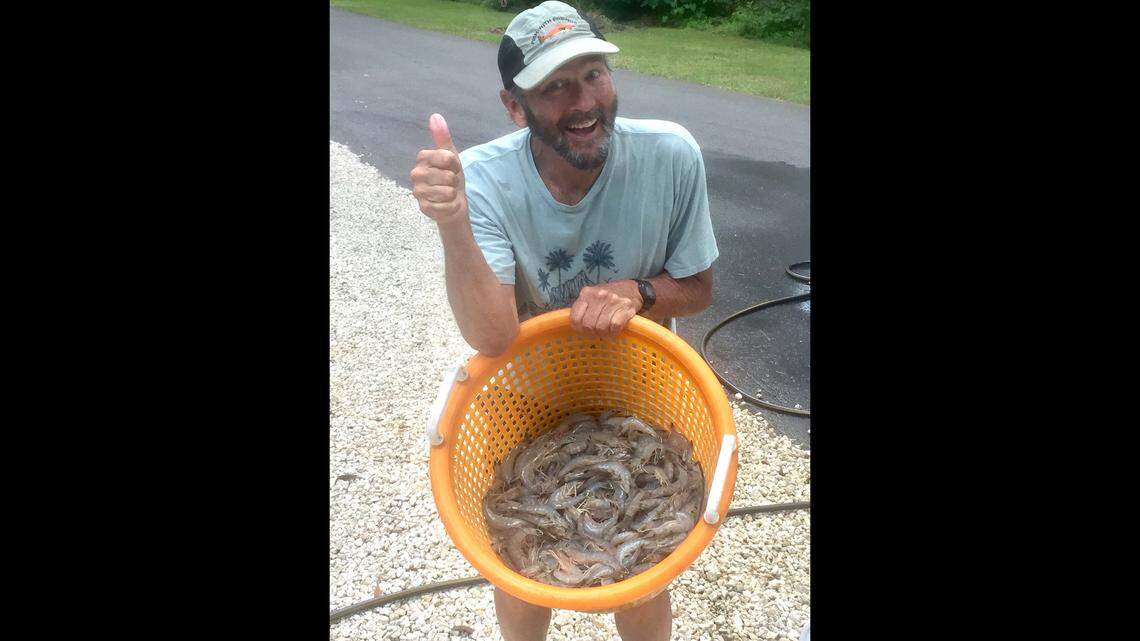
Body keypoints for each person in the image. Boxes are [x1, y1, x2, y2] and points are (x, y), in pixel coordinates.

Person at [410, 2, 719, 639]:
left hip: (641, 390)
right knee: (519, 572)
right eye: (553, 87)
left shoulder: (671, 155)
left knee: (640, 572)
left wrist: (638, 291)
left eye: (592, 76)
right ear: (514, 106)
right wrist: (454, 224)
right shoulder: (486, 182)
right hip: (525, 399)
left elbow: (697, 290)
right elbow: (492, 338)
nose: (582, 102)